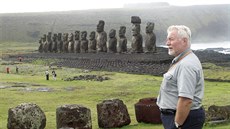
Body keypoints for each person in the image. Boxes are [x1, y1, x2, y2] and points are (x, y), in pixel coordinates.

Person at [156, 25, 205, 129]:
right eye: (167, 39)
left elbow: (186, 100)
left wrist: (177, 125)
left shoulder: (186, 65)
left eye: (171, 39)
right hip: (180, 117)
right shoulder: (183, 60)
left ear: (184, 41)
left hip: (183, 119)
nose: (167, 43)